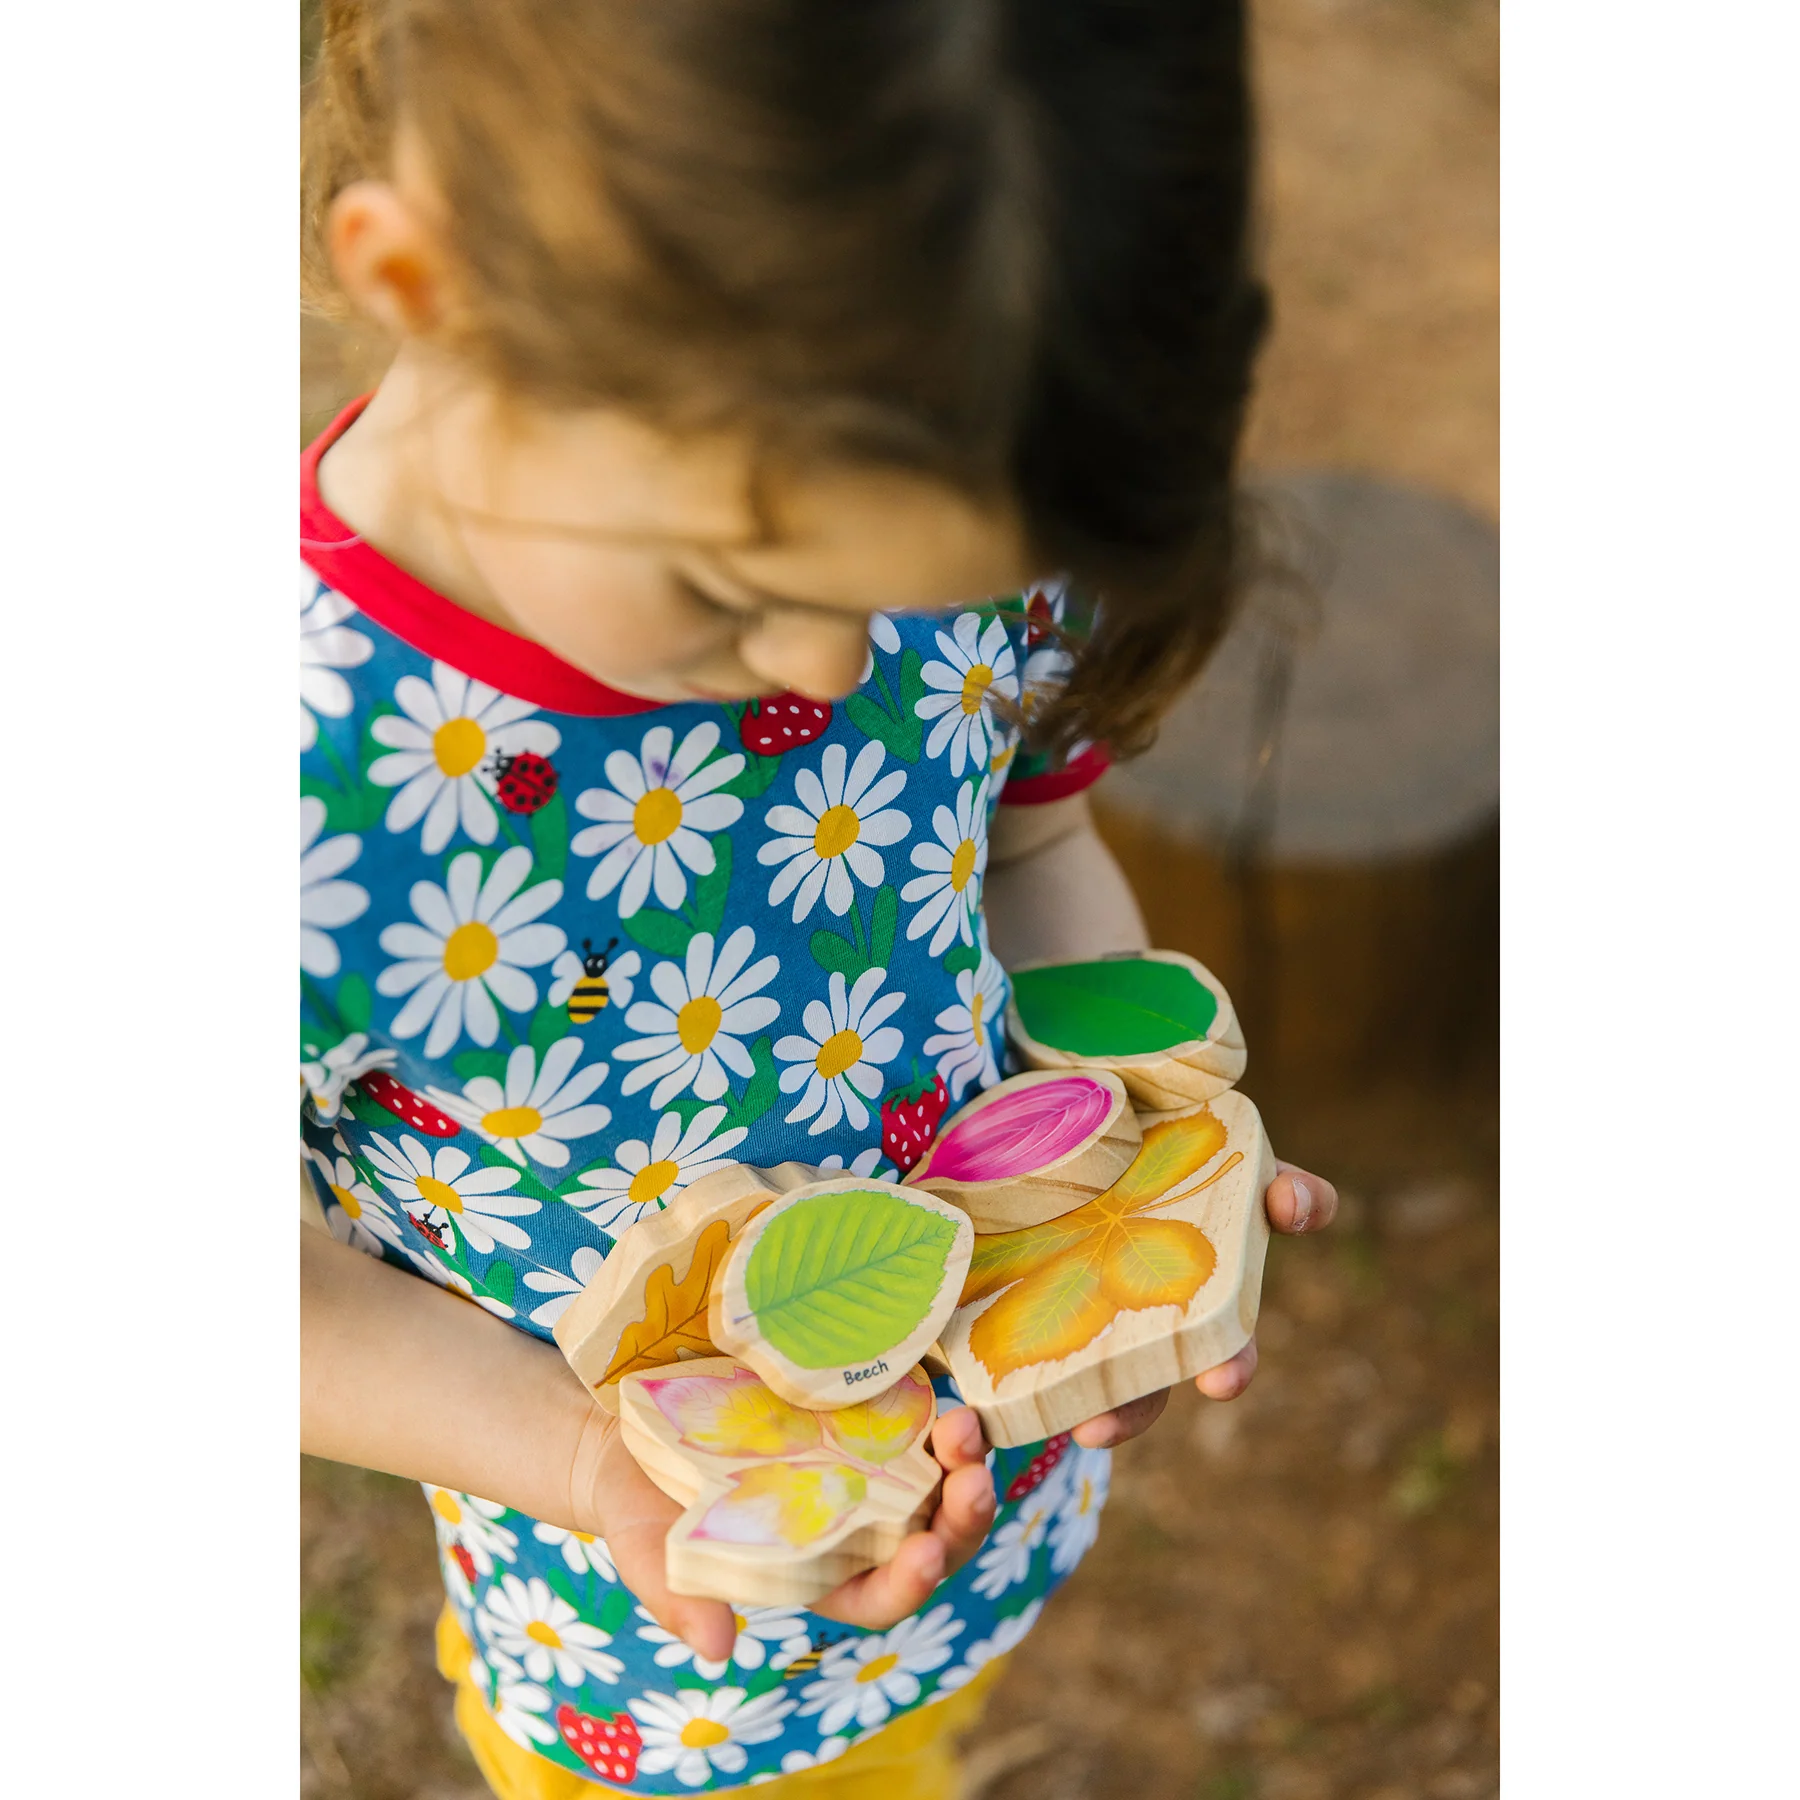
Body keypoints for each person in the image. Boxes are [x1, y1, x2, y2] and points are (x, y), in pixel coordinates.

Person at [299, 3, 1340, 1793]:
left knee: (926, 1747)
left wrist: (1129, 1184)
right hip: (670, 1644)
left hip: (979, 1507)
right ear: (427, 281)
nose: (824, 667)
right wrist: (595, 1473)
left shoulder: (946, 433)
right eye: (729, 586)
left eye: (904, 604)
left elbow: (1021, 849)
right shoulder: (295, 786)